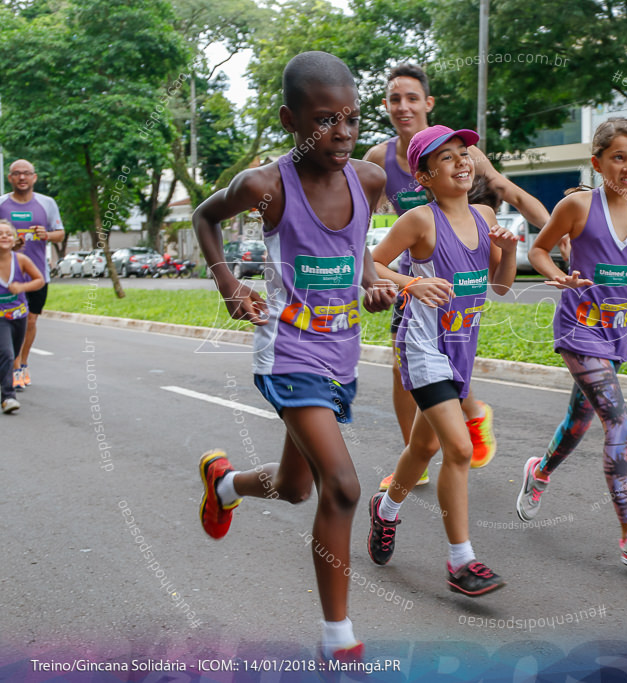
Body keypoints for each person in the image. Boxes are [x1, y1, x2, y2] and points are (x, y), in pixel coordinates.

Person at [191, 51, 396, 662]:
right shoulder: (265, 187)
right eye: (324, 120)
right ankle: (339, 640)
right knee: (343, 486)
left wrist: (371, 282)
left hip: (342, 352)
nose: (342, 133)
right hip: (287, 352)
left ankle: (224, 483)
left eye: (352, 119)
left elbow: (358, 247)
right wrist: (230, 285)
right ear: (289, 119)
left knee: (296, 486)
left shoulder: (369, 180)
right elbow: (205, 217)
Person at [363, 64, 557, 491]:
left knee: (450, 359)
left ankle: (469, 415)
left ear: (428, 103)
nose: (403, 106)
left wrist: (555, 235)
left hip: (463, 271)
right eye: (395, 98)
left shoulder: (467, 162)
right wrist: (373, 270)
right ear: (386, 106)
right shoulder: (379, 159)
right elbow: (357, 209)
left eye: (412, 97)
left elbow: (511, 193)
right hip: (418, 271)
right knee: (406, 369)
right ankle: (414, 459)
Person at [515, 117, 627, 569]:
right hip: (578, 332)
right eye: (618, 158)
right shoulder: (578, 207)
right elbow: (539, 249)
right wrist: (558, 276)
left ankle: (538, 473)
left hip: (616, 335)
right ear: (598, 163)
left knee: (578, 421)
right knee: (620, 424)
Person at [367, 125, 518, 596]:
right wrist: (409, 283)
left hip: (462, 349)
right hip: (423, 345)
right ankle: (461, 562)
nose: (461, 162)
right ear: (424, 176)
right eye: (446, 157)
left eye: (464, 153)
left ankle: (385, 510)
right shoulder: (419, 221)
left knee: (425, 448)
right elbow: (368, 264)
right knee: (458, 449)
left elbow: (501, 285)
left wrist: (509, 253)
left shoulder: (484, 213)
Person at [0, 160, 65, 390]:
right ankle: (14, 367)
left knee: (30, 320)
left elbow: (60, 234)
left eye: (26, 173)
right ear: (10, 178)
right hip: (7, 274)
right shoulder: (1, 204)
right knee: (10, 319)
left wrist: (46, 234)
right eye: (17, 174)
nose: (22, 178)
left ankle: (23, 362)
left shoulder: (46, 204)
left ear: (34, 178)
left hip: (37, 273)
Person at [0, 219, 44, 414]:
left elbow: (39, 280)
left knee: (12, 353)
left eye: (8, 234)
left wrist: (21, 287)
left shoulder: (21, 260)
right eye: (0, 234)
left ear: (14, 238)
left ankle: (4, 381)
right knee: (7, 354)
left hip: (19, 316)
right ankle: (8, 397)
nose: (4, 237)